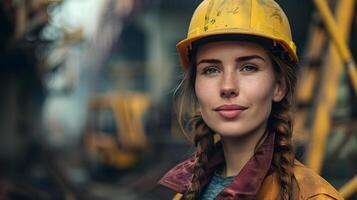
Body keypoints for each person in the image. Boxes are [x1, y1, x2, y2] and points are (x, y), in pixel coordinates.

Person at [157, 0, 343, 199]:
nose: (228, 86)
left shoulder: (313, 196)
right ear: (196, 86)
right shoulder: (185, 192)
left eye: (248, 67)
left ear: (278, 86)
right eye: (211, 70)